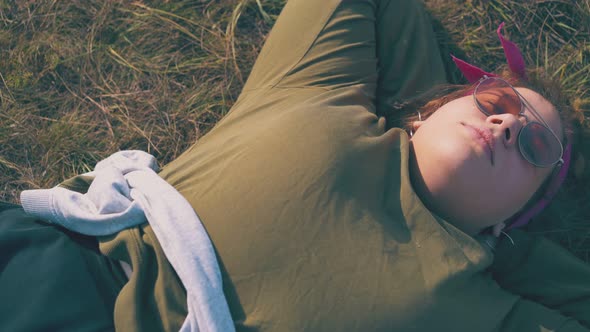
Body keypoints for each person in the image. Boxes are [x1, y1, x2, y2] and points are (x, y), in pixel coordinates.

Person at [1, 0, 590, 331]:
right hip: (57, 268)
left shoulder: (481, 306)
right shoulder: (320, 96)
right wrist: (418, 110)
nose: (506, 126)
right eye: (494, 103)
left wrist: (505, 251)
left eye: (535, 147)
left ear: (516, 217)